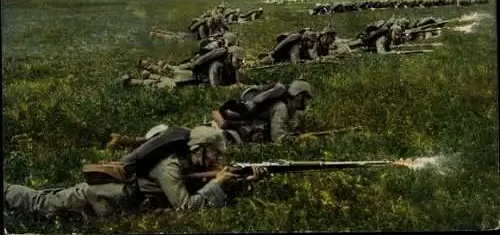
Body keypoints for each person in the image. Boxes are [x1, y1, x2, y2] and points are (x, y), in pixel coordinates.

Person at [4, 126, 264, 219]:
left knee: (49, 199)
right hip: (101, 199)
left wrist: (240, 182)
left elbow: (194, 188)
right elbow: (186, 208)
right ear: (200, 148)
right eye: (214, 154)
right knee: (41, 203)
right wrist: (217, 184)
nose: (216, 160)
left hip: (114, 204)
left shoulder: (188, 162)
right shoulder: (170, 166)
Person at [212, 80, 314, 143]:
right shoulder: (281, 107)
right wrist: (299, 140)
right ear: (299, 96)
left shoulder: (286, 105)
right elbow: (278, 138)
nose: (307, 102)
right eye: (306, 98)